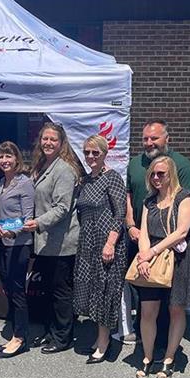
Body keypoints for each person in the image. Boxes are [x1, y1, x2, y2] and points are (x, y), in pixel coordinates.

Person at [124, 120, 190, 346]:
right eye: (145, 138)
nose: (149, 143)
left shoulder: (181, 164)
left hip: (169, 244)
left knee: (168, 294)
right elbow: (129, 195)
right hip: (140, 236)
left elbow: (187, 202)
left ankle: (164, 340)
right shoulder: (135, 163)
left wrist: (158, 246)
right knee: (142, 288)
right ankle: (145, 335)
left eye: (154, 138)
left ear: (167, 139)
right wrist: (130, 224)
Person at [134, 156, 190, 378]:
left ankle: (169, 358)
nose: (156, 177)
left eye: (161, 173)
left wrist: (152, 251)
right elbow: (143, 232)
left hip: (178, 259)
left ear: (171, 174)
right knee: (148, 311)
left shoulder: (184, 198)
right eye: (153, 173)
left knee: (176, 309)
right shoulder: (149, 201)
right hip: (151, 259)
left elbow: (181, 232)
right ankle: (148, 356)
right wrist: (143, 257)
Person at [23, 122, 82, 354]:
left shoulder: (64, 169)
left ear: (61, 143)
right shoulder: (43, 164)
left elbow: (62, 208)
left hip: (61, 242)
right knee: (47, 291)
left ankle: (62, 337)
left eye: (53, 140)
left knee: (61, 293)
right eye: (45, 139)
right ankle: (50, 332)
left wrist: (38, 223)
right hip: (44, 242)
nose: (48, 143)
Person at [73, 135, 127, 364]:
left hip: (107, 245)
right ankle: (99, 336)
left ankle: (104, 342)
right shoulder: (85, 181)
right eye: (87, 152)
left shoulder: (112, 178)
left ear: (105, 154)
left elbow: (120, 213)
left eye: (96, 152)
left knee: (105, 292)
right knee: (92, 290)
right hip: (87, 244)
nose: (91, 156)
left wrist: (110, 243)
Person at [0, 141, 35, 359]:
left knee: (18, 291)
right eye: (1, 156)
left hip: (18, 245)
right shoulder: (2, 182)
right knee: (8, 287)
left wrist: (13, 232)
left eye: (9, 156)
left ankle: (20, 337)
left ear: (17, 159)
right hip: (2, 243)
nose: (4, 161)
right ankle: (16, 332)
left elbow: (28, 218)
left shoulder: (24, 183)